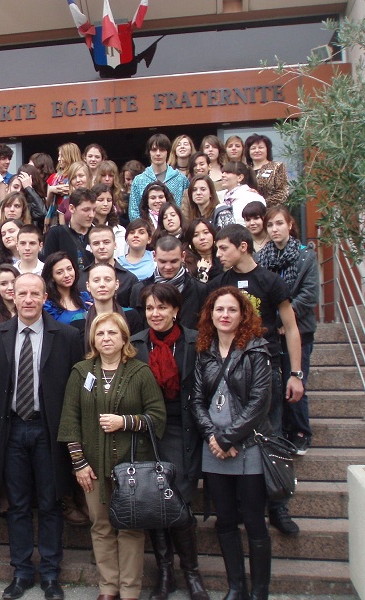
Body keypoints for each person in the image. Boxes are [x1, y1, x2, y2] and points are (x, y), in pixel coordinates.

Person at [58, 312, 166, 600]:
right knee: (100, 525)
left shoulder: (140, 372)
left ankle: (130, 590)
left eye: (112, 333)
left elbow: (157, 417)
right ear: (93, 339)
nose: (106, 338)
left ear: (124, 338)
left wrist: (125, 422)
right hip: (92, 466)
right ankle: (108, 588)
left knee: (130, 528)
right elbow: (69, 420)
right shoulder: (81, 372)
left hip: (132, 466)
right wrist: (79, 463)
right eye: (100, 333)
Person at [0, 273, 83, 600]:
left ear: (45, 297)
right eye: (22, 293)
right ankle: (22, 572)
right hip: (12, 429)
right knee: (17, 504)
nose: (28, 299)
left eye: (34, 294)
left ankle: (51, 574)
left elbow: (74, 390)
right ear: (12, 297)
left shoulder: (67, 336)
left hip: (49, 430)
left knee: (50, 503)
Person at [210, 224, 305, 535]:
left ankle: (278, 506)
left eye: (224, 248)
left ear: (243, 247)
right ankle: (238, 506)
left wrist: (296, 373)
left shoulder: (270, 281)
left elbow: (291, 328)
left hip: (266, 367)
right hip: (229, 372)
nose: (218, 254)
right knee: (234, 434)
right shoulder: (219, 282)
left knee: (272, 435)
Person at [190, 286, 273, 600]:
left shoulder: (256, 350)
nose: (224, 315)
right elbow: (196, 401)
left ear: (243, 315)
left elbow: (259, 403)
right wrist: (213, 437)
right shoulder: (205, 351)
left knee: (253, 521)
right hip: (214, 449)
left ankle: (260, 591)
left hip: (248, 446)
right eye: (219, 309)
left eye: (232, 310)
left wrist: (227, 438)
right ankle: (236, 587)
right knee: (224, 520)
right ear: (210, 314)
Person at [130, 284, 209, 600]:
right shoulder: (136, 344)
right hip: (148, 432)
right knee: (154, 503)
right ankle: (165, 573)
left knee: (180, 503)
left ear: (175, 310)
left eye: (162, 307)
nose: (155, 314)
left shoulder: (194, 342)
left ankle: (192, 572)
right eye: (150, 308)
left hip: (182, 430)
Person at [260, 205, 319, 454]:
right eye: (270, 225)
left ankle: (300, 431)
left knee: (294, 378)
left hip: (299, 330)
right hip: (272, 330)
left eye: (279, 224)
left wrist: (287, 319)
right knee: (275, 383)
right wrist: (275, 322)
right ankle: (281, 429)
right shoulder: (263, 257)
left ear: (290, 225)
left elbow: (309, 294)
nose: (275, 229)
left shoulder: (306, 256)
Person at [130, 234, 208, 330]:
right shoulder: (139, 290)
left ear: (183, 256)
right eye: (163, 262)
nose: (168, 267)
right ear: (154, 256)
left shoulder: (200, 290)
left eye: (173, 261)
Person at [83, 261, 146, 349]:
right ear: (88, 286)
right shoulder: (79, 320)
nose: (102, 284)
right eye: (96, 280)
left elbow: (137, 349)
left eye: (108, 280)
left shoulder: (131, 316)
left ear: (117, 284)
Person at [129, 134, 189, 220]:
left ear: (168, 152)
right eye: (154, 150)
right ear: (149, 152)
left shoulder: (181, 179)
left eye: (162, 150)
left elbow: (187, 210)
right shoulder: (139, 180)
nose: (158, 153)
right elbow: (133, 212)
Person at [42, 251, 92, 342]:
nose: (67, 275)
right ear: (52, 277)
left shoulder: (85, 298)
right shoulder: (48, 306)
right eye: (59, 272)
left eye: (69, 269)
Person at [42, 188, 96, 272]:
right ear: (71, 208)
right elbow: (48, 267)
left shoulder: (98, 234)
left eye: (94, 210)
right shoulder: (56, 234)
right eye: (86, 210)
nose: (91, 215)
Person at [84, 226, 137, 307]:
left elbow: (134, 312)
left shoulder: (129, 279)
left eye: (106, 242)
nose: (101, 247)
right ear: (90, 248)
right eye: (96, 243)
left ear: (115, 245)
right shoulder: (80, 278)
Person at [245, 133, 289, 206]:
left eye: (260, 147)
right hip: (247, 211)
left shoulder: (277, 166)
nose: (257, 150)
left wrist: (261, 201)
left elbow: (283, 193)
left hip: (270, 210)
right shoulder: (244, 170)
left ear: (267, 149)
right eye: (253, 148)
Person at [46, 143, 82, 228]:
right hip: (54, 219)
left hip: (72, 216)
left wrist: (71, 190)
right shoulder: (53, 178)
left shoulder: (80, 178)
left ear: (70, 156)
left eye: (62, 156)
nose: (59, 159)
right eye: (59, 156)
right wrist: (51, 190)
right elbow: (47, 205)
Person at [183, 218, 222, 284]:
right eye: (196, 235)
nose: (202, 238)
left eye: (206, 232)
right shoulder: (187, 263)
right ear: (191, 241)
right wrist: (202, 271)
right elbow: (195, 288)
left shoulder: (222, 257)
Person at [92, 182, 127, 256]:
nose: (105, 204)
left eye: (109, 200)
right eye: (100, 200)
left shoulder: (120, 231)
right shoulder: (86, 229)